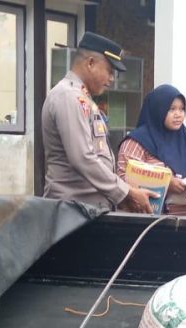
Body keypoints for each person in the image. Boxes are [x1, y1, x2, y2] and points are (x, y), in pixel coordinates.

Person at [42, 32, 155, 213]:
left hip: (86, 210)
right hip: (70, 212)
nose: (112, 79)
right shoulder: (68, 96)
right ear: (91, 63)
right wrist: (126, 194)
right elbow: (82, 158)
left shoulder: (82, 97)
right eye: (110, 71)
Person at [117, 84, 186, 216]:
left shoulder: (185, 140)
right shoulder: (137, 142)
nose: (178, 114)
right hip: (149, 221)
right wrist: (164, 183)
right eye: (171, 109)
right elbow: (122, 181)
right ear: (158, 110)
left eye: (182, 109)